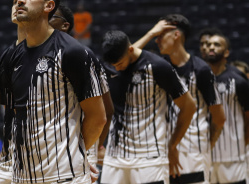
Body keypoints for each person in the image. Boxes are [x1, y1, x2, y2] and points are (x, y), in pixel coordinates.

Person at [9, 0, 106, 183]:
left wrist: (76, 154)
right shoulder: (14, 58)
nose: (19, 1)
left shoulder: (73, 51)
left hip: (64, 176)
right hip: (22, 176)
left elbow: (98, 117)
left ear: (48, 6)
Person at [133, 14, 225, 183]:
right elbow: (125, 58)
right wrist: (151, 33)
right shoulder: (159, 66)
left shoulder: (201, 70)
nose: (156, 40)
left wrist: (204, 147)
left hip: (192, 153)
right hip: (161, 151)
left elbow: (219, 118)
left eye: (160, 35)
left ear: (176, 35)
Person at [101, 30, 196, 184]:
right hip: (114, 158)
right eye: (114, 65)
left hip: (150, 159)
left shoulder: (158, 66)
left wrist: (173, 145)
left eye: (119, 64)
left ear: (130, 50)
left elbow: (189, 106)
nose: (117, 69)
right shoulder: (109, 66)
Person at [49, 3, 114, 183]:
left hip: (75, 157)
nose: (45, 20)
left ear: (65, 25)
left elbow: (106, 112)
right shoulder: (35, 59)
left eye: (52, 17)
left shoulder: (84, 55)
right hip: (43, 158)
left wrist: (86, 150)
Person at [205, 33, 249, 184]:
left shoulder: (238, 80)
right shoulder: (200, 78)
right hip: (206, 155)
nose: (211, 47)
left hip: (232, 156)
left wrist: (242, 144)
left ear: (226, 52)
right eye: (209, 44)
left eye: (217, 45)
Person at [0, 4, 26, 184]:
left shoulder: (55, 51)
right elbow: (7, 106)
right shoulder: (4, 57)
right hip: (11, 152)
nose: (18, 4)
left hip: (45, 154)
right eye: (14, 1)